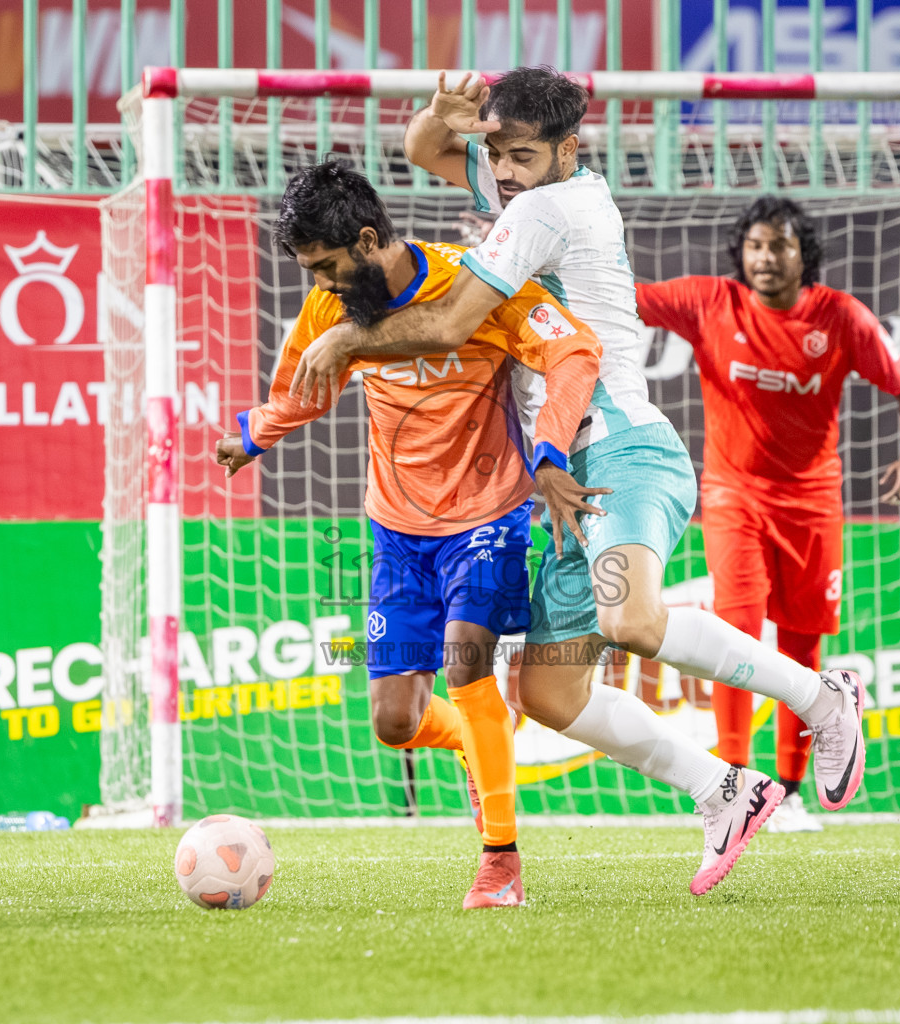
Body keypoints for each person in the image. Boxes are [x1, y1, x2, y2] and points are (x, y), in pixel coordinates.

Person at [287, 66, 866, 895]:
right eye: (495, 152)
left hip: (623, 449)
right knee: (551, 692)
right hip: (563, 475)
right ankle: (722, 790)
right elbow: (423, 148)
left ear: (570, 148)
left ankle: (822, 697)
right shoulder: (527, 177)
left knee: (632, 617)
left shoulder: (550, 207)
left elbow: (450, 322)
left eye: (519, 154)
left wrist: (343, 342)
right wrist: (442, 117)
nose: (504, 170)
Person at [215, 160, 601, 908]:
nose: (320, 285)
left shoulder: (478, 285)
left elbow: (575, 350)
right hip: (396, 531)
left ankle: (501, 862)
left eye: (327, 267)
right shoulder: (331, 309)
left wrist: (552, 448)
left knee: (466, 665)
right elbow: (302, 384)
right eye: (309, 271)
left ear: (367, 240)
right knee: (395, 721)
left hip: (489, 515)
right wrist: (257, 436)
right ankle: (472, 740)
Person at [635, 196, 900, 832]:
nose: (766, 258)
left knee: (802, 644)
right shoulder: (712, 302)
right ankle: (734, 782)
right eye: (756, 246)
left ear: (804, 255)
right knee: (736, 635)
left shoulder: (840, 317)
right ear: (742, 252)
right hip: (732, 495)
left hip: (813, 501)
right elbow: (626, 296)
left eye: (780, 247)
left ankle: (790, 791)